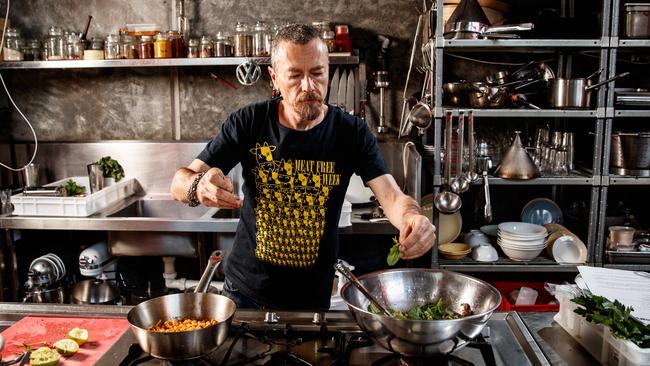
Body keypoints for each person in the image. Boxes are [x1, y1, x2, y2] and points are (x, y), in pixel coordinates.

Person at [171, 23, 436, 310]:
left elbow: (393, 197)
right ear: (274, 78)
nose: (308, 86)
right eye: (295, 75)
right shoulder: (249, 122)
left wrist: (413, 219)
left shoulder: (352, 132)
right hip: (246, 293)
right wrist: (198, 186)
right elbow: (178, 183)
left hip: (312, 297)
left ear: (328, 72)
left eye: (317, 73)